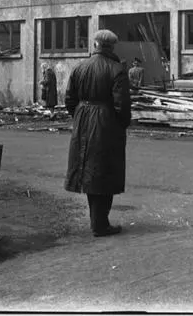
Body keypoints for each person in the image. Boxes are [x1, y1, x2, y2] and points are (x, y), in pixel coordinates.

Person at [64, 29, 131, 238]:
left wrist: (80, 115)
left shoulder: (80, 67)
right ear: (112, 46)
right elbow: (122, 105)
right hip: (106, 122)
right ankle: (100, 224)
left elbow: (69, 99)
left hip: (83, 119)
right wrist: (121, 124)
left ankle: (97, 221)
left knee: (88, 169)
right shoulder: (117, 69)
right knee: (105, 170)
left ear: (95, 45)